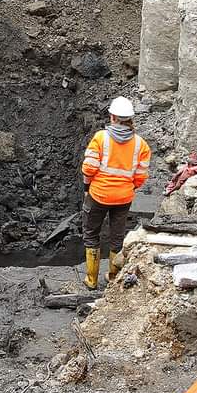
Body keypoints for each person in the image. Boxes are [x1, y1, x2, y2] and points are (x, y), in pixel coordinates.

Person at [80, 96, 151, 290]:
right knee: (117, 237)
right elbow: (141, 176)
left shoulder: (101, 138)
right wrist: (128, 188)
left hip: (98, 195)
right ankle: (113, 277)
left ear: (112, 117)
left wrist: (87, 188)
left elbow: (89, 168)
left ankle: (91, 280)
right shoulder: (141, 144)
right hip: (124, 198)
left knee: (91, 234)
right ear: (130, 119)